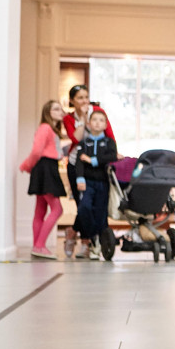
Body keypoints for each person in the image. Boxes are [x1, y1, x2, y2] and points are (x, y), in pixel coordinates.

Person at [63, 84, 116, 259]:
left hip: (98, 167)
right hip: (77, 164)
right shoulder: (69, 118)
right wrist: (84, 119)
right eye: (80, 98)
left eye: (86, 97)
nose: (84, 101)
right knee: (83, 206)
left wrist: (112, 154)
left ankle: (85, 239)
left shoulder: (98, 113)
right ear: (72, 101)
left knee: (97, 208)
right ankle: (87, 242)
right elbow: (75, 139)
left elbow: (109, 135)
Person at [19, 100, 67, 259]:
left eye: (61, 109)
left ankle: (37, 246)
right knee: (57, 209)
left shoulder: (52, 130)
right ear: (48, 112)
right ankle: (39, 246)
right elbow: (36, 151)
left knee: (40, 209)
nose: (61, 112)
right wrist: (27, 165)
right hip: (45, 168)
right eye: (56, 109)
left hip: (47, 167)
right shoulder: (45, 128)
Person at [74, 110, 117, 260]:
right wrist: (80, 179)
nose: (98, 122)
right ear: (88, 123)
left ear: (105, 125)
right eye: (95, 120)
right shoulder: (84, 143)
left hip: (103, 183)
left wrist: (93, 160)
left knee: (101, 213)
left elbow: (112, 156)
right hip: (87, 183)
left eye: (101, 120)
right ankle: (94, 237)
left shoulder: (109, 142)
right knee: (84, 208)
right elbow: (79, 162)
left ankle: (99, 247)